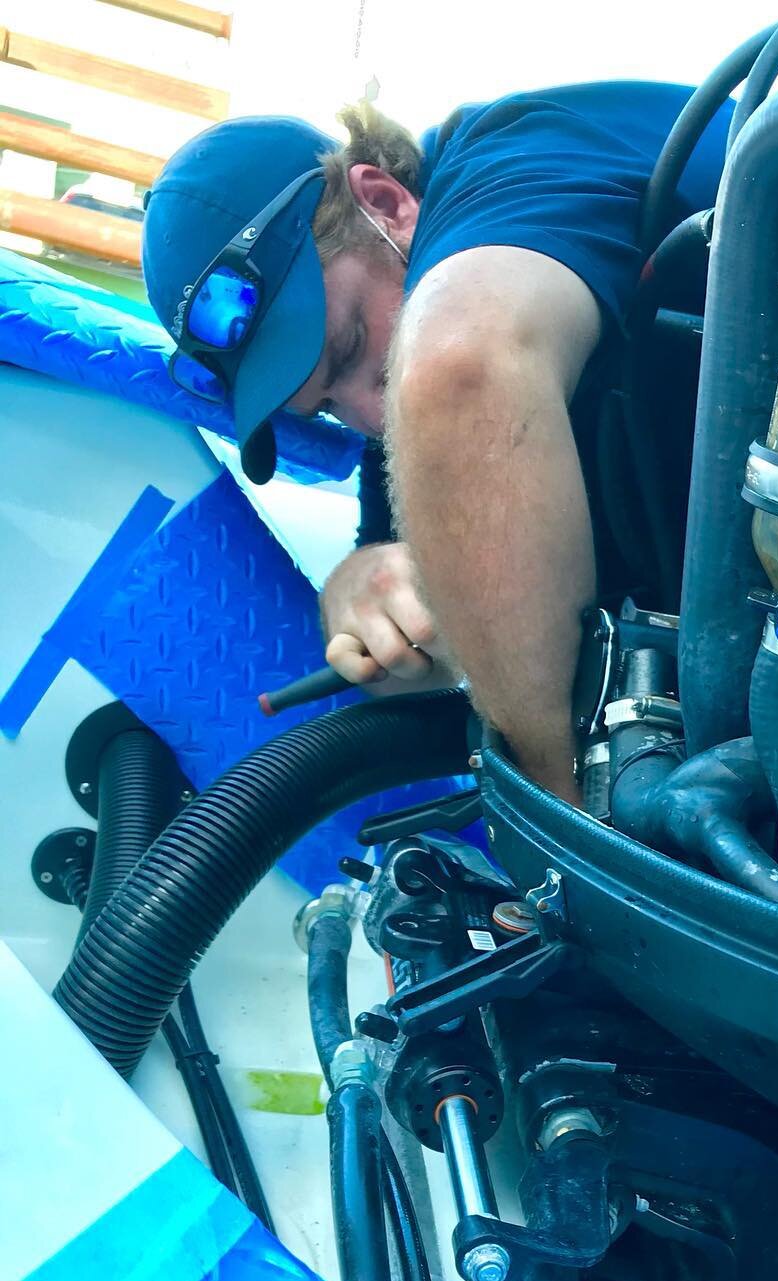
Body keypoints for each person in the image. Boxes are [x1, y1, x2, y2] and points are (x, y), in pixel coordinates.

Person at [141, 86, 728, 802]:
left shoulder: (520, 157)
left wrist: (564, 820)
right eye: (325, 405)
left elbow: (461, 368)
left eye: (352, 347)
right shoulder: (390, 399)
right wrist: (359, 588)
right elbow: (417, 627)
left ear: (385, 203)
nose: (373, 415)